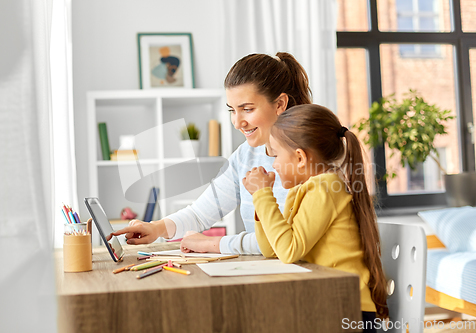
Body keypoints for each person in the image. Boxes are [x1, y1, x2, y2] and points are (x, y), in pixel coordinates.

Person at [109, 52, 312, 254]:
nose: (237, 122)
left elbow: (285, 239)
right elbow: (200, 214)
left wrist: (211, 244)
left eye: (247, 109)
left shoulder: (309, 158)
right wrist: (156, 228)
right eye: (232, 110)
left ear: (279, 104)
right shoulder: (245, 156)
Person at [242, 104, 388, 329]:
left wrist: (262, 195)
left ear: (300, 157)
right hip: (328, 301)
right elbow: (272, 250)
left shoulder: (325, 188)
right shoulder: (303, 190)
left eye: (277, 154)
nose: (274, 164)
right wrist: (260, 201)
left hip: (348, 310)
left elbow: (289, 251)